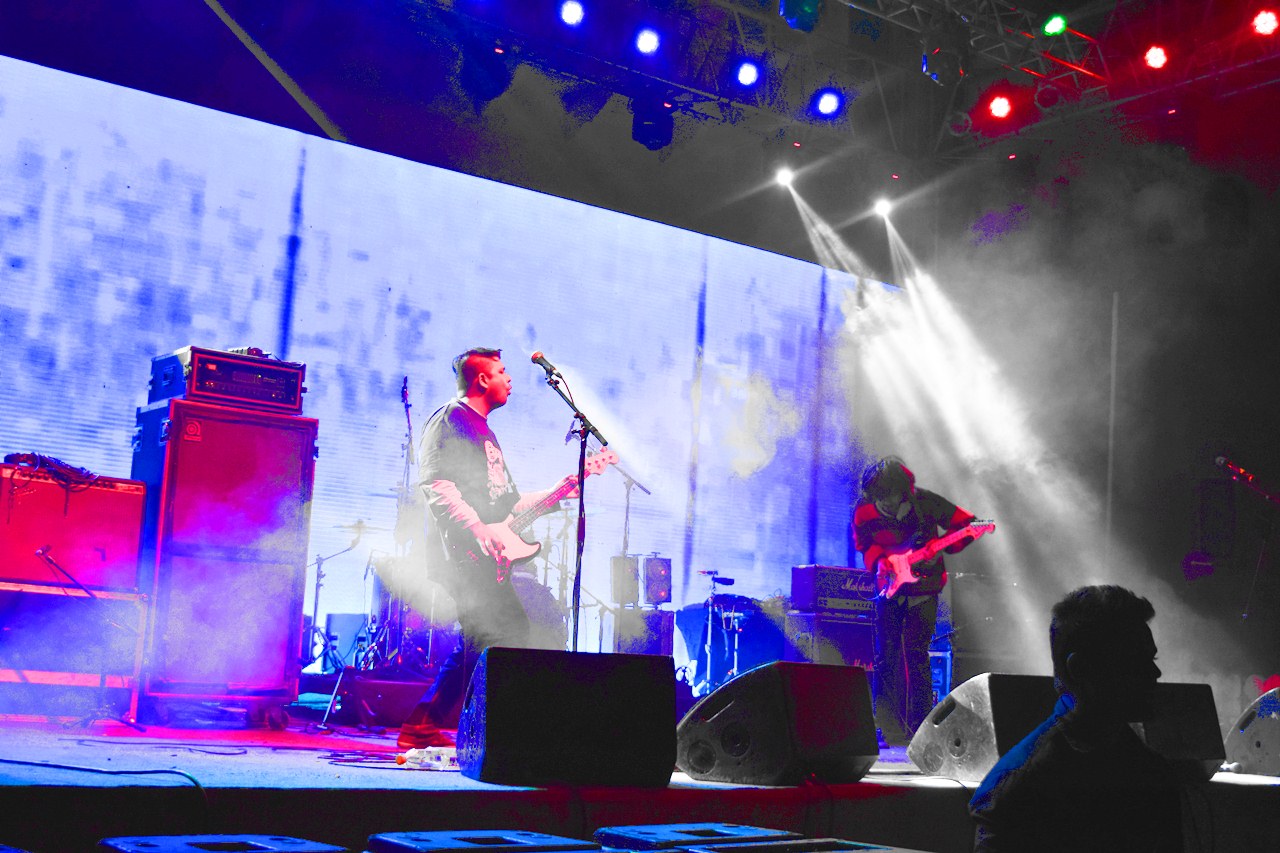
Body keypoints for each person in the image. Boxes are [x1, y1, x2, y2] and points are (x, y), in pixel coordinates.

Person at [397, 347, 573, 749]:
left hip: (483, 554)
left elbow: (507, 503)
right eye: (502, 371)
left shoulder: (486, 432)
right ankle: (476, 730)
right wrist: (476, 529)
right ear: (481, 379)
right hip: (461, 552)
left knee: (484, 636)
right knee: (502, 630)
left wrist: (559, 492)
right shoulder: (450, 419)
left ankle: (431, 725)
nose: (509, 379)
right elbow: (436, 484)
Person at [968, 585, 1183, 852]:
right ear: (1080, 668)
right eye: (1135, 661)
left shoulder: (1152, 772)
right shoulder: (1019, 790)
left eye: (1152, 658)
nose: (1155, 672)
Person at [852, 456, 978, 746]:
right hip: (889, 589)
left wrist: (942, 549)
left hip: (924, 590)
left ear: (904, 492)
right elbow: (864, 545)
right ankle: (884, 729)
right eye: (879, 497)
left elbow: (966, 523)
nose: (885, 503)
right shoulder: (863, 510)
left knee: (917, 656)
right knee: (885, 657)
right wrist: (880, 563)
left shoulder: (926, 503)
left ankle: (921, 731)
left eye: (891, 496)